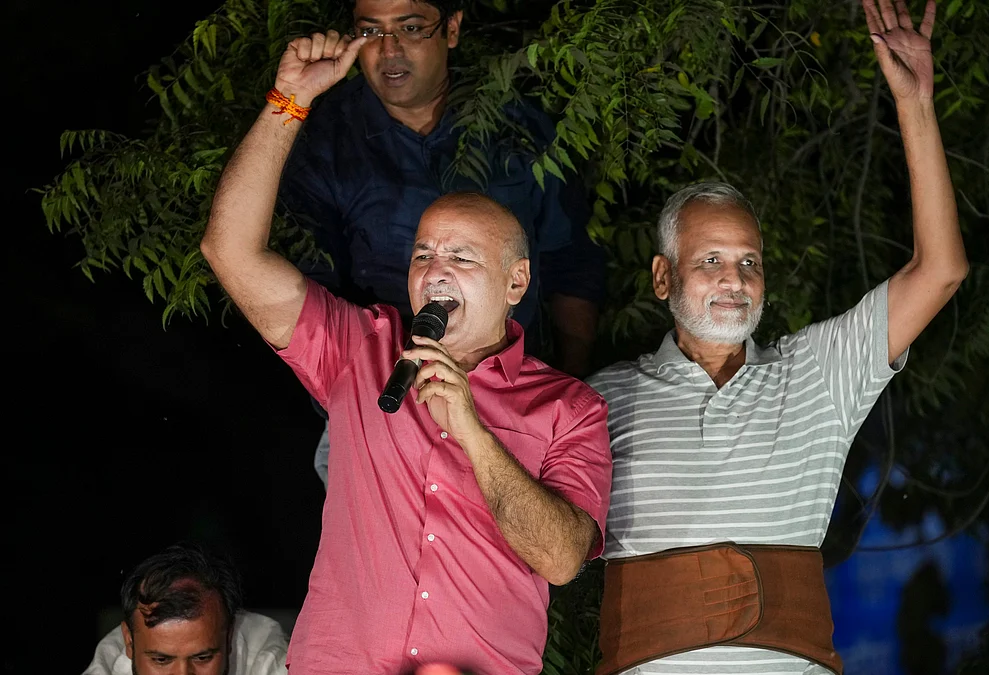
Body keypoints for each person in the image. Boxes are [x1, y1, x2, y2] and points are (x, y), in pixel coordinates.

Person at [200, 28, 612, 674]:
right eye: (423, 254)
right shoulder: (359, 349)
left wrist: (472, 431)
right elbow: (230, 253)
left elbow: (561, 559)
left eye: (461, 257)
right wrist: (289, 100)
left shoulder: (569, 407)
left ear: (516, 283)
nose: (435, 270)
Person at [584, 1, 969, 673]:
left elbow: (939, 270)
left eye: (749, 262)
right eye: (709, 261)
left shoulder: (816, 373)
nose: (733, 280)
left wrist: (916, 104)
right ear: (661, 277)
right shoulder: (600, 398)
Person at [278, 0, 606, 486]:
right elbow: (307, 296)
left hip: (514, 397)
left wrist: (570, 381)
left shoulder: (518, 123)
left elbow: (570, 261)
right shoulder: (326, 140)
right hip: (385, 399)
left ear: (451, 28)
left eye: (410, 28)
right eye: (371, 32)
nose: (390, 50)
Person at [83, 543, 288, 675]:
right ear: (129, 642)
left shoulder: (265, 654)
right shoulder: (107, 668)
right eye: (161, 660)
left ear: (229, 638)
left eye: (202, 658)